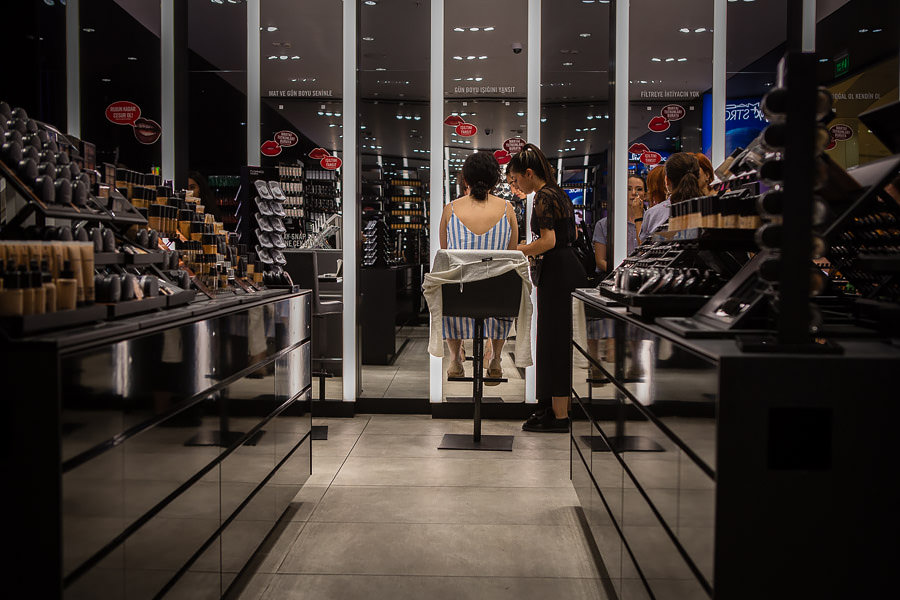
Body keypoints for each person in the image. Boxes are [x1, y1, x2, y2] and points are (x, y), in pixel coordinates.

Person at [510, 143, 586, 433]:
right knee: (557, 342)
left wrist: (521, 250)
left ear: (529, 173)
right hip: (567, 269)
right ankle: (555, 410)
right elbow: (574, 233)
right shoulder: (559, 193)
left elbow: (549, 241)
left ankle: (558, 416)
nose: (516, 186)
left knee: (553, 342)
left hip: (557, 272)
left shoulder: (543, 196)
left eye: (517, 180)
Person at [439, 151, 518, 382]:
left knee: (449, 282)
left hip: (459, 299)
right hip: (498, 300)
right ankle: (495, 358)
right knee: (505, 281)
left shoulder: (450, 209)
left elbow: (446, 256)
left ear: (465, 179)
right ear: (496, 180)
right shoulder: (507, 209)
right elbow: (511, 257)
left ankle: (454, 359)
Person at [640, 152, 703, 239]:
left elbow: (642, 249)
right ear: (698, 178)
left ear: (666, 180)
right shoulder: (711, 211)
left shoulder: (653, 215)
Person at [593, 174, 645, 274]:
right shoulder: (603, 224)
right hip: (614, 277)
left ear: (645, 194)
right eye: (629, 189)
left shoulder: (651, 221)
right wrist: (622, 274)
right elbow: (600, 261)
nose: (634, 193)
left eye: (639, 189)